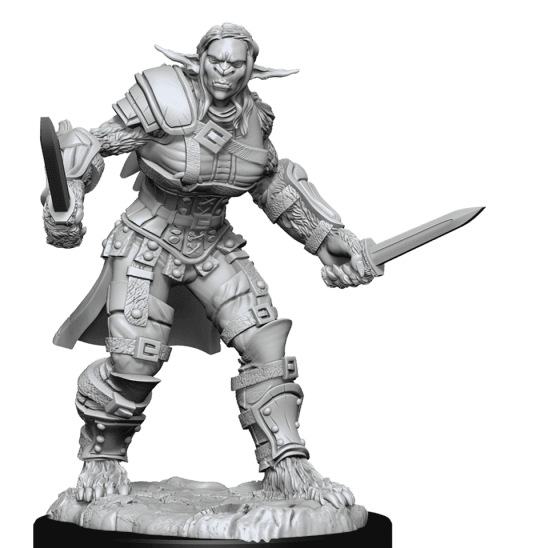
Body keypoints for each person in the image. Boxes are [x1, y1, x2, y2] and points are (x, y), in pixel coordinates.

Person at [41, 23, 376, 507]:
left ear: (251, 68)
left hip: (212, 242)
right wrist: (68, 195)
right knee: (134, 356)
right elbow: (95, 142)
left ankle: (288, 465)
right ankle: (103, 459)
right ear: (199, 60)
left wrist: (328, 237)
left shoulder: (256, 118)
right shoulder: (164, 98)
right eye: (216, 61)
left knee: (264, 341)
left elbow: (271, 182)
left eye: (235, 64)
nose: (224, 71)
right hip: (148, 239)